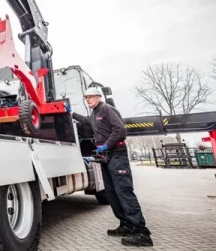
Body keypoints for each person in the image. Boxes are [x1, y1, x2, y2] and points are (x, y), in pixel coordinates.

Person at [64, 87, 153, 247]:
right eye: (86, 98)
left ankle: (141, 232)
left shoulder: (107, 109)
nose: (88, 100)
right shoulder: (95, 114)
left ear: (98, 97)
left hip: (117, 155)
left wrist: (106, 145)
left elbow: (120, 130)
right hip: (106, 157)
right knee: (112, 193)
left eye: (90, 97)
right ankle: (125, 225)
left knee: (124, 192)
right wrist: (71, 114)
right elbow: (86, 121)